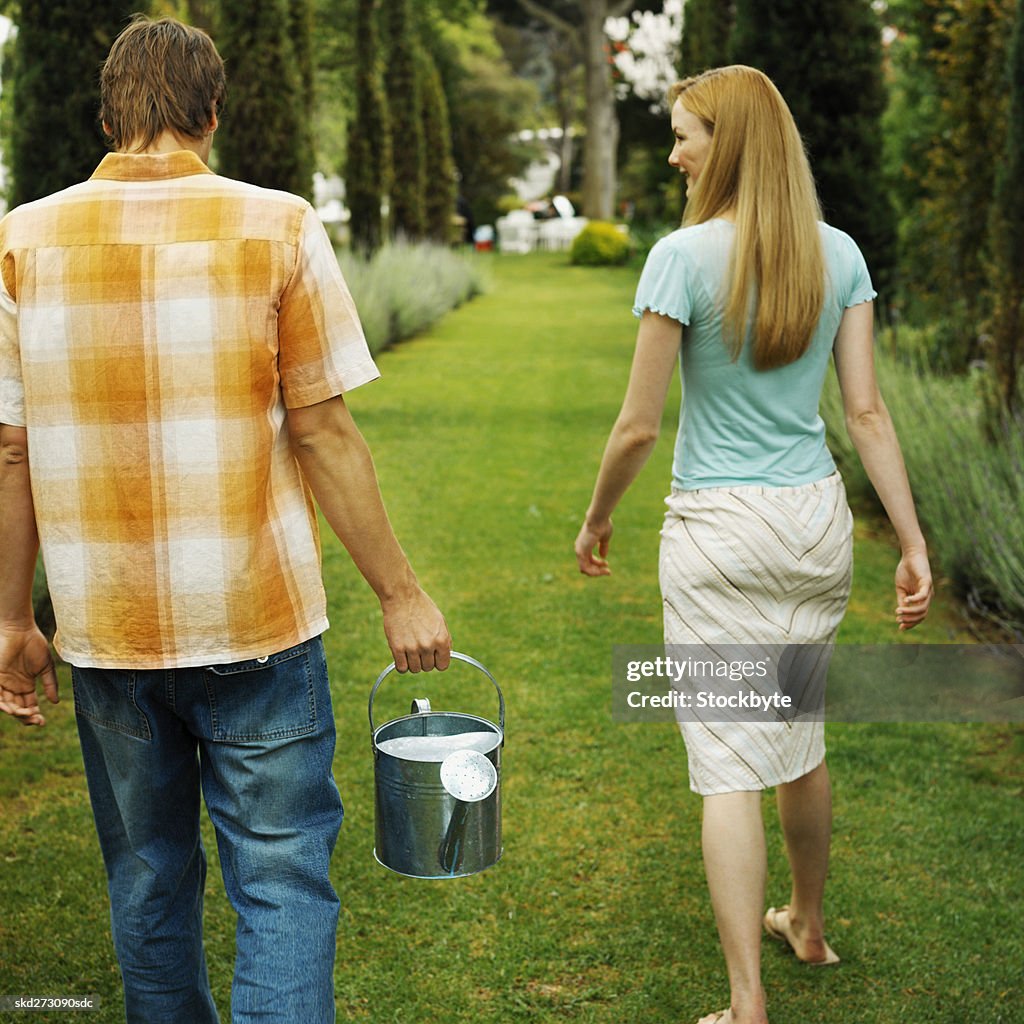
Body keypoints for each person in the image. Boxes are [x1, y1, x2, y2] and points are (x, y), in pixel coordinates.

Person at [0, 15, 450, 1024]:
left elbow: (13, 446)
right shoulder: (277, 223)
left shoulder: (19, 238)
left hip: (107, 633)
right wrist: (401, 592)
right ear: (213, 109)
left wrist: (10, 622)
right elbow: (325, 429)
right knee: (283, 883)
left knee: (149, 882)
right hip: (255, 623)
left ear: (109, 111)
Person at [574, 66, 933, 1024]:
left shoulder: (681, 258)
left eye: (687, 134)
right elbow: (864, 412)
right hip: (813, 524)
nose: (674, 150)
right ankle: (806, 927)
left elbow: (639, 428)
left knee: (730, 761)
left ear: (725, 144)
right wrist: (911, 542)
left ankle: (746, 1004)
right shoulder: (839, 255)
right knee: (800, 734)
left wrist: (598, 516)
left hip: (720, 531)